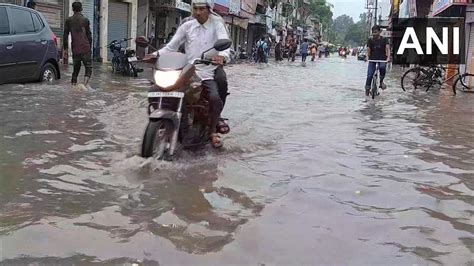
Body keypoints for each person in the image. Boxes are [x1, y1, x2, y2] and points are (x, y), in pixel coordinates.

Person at [154, 0, 230, 148]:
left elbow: (224, 43)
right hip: (187, 70)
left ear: (209, 10)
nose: (198, 12)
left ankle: (213, 130)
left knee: (215, 97)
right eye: (195, 8)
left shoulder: (217, 24)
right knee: (157, 89)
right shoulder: (187, 26)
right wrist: (154, 54)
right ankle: (167, 123)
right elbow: (171, 46)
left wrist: (222, 56)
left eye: (202, 9)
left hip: (208, 69)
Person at [63, 2, 92, 86]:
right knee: (88, 68)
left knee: (75, 69)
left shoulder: (69, 20)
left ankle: (73, 86)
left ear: (72, 9)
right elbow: (89, 35)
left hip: (75, 48)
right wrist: (89, 47)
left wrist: (65, 49)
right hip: (85, 47)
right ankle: (84, 85)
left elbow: (65, 35)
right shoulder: (85, 20)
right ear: (81, 9)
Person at [364, 25, 391, 95]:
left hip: (382, 59)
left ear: (380, 32)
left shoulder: (385, 40)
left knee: (382, 67)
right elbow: (368, 49)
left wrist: (388, 58)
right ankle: (367, 91)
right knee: (369, 75)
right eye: (373, 32)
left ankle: (381, 82)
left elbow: (388, 49)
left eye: (375, 32)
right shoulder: (370, 40)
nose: (374, 34)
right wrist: (367, 57)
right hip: (372, 59)